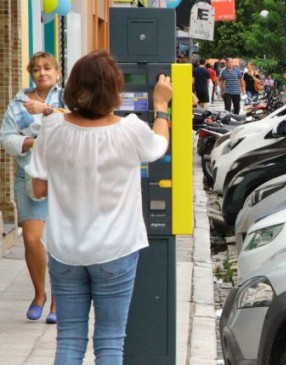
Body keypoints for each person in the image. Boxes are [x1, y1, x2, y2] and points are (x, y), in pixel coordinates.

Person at [25, 49, 172, 364]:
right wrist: (161, 107)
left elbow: (38, 189)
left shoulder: (52, 128)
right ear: (114, 90)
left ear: (73, 86)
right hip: (116, 250)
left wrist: (68, 180)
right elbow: (159, 147)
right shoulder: (130, 129)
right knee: (109, 344)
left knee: (69, 340)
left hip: (65, 250)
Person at [0, 51, 63, 324]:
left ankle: (58, 304)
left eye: (47, 68)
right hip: (30, 178)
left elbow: (78, 121)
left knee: (61, 243)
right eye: (36, 69)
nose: (42, 73)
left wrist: (48, 111)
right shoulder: (19, 102)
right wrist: (31, 143)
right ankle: (39, 295)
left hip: (64, 179)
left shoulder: (66, 97)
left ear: (57, 72)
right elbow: (5, 136)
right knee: (31, 240)